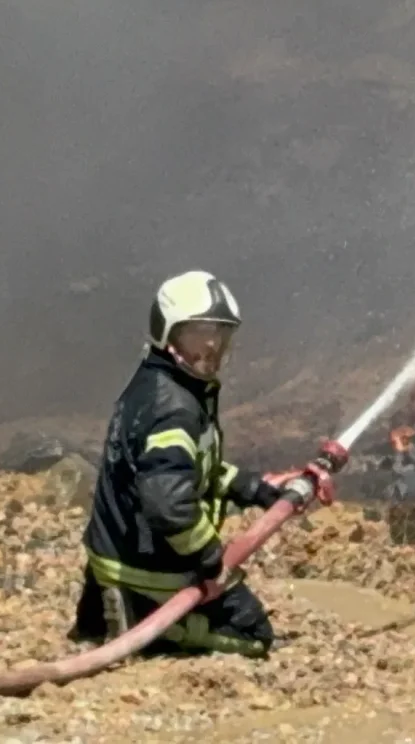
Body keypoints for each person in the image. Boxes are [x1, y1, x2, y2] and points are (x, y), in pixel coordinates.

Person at [71, 270, 333, 658]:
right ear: (168, 333)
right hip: (147, 564)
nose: (211, 345)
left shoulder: (161, 386)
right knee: (253, 635)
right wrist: (211, 560)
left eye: (220, 334)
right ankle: (150, 625)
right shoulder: (173, 407)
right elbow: (169, 506)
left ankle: (106, 607)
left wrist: (256, 490)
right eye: (198, 333)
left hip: (115, 556)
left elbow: (191, 469)